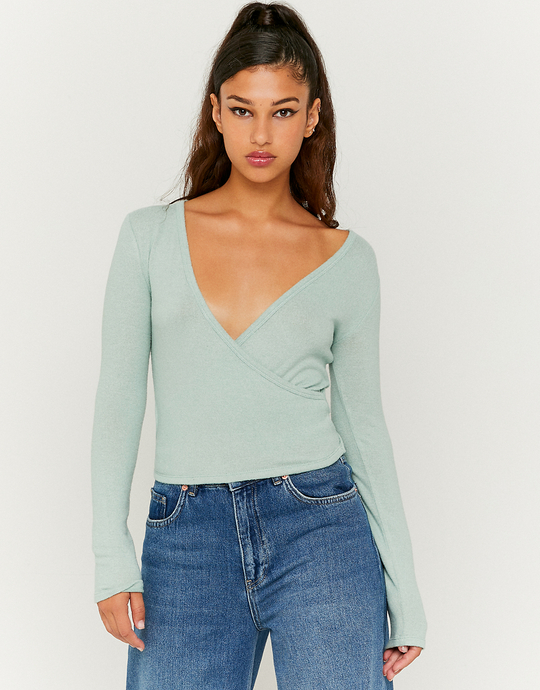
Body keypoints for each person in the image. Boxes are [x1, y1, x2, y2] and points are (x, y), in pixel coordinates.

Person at [91, 2, 427, 688]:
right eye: (243, 110)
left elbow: (364, 426)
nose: (262, 133)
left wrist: (406, 590)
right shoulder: (148, 239)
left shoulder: (347, 260)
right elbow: (118, 404)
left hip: (322, 531)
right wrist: (109, 557)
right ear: (216, 112)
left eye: (283, 110)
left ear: (312, 117)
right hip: (186, 537)